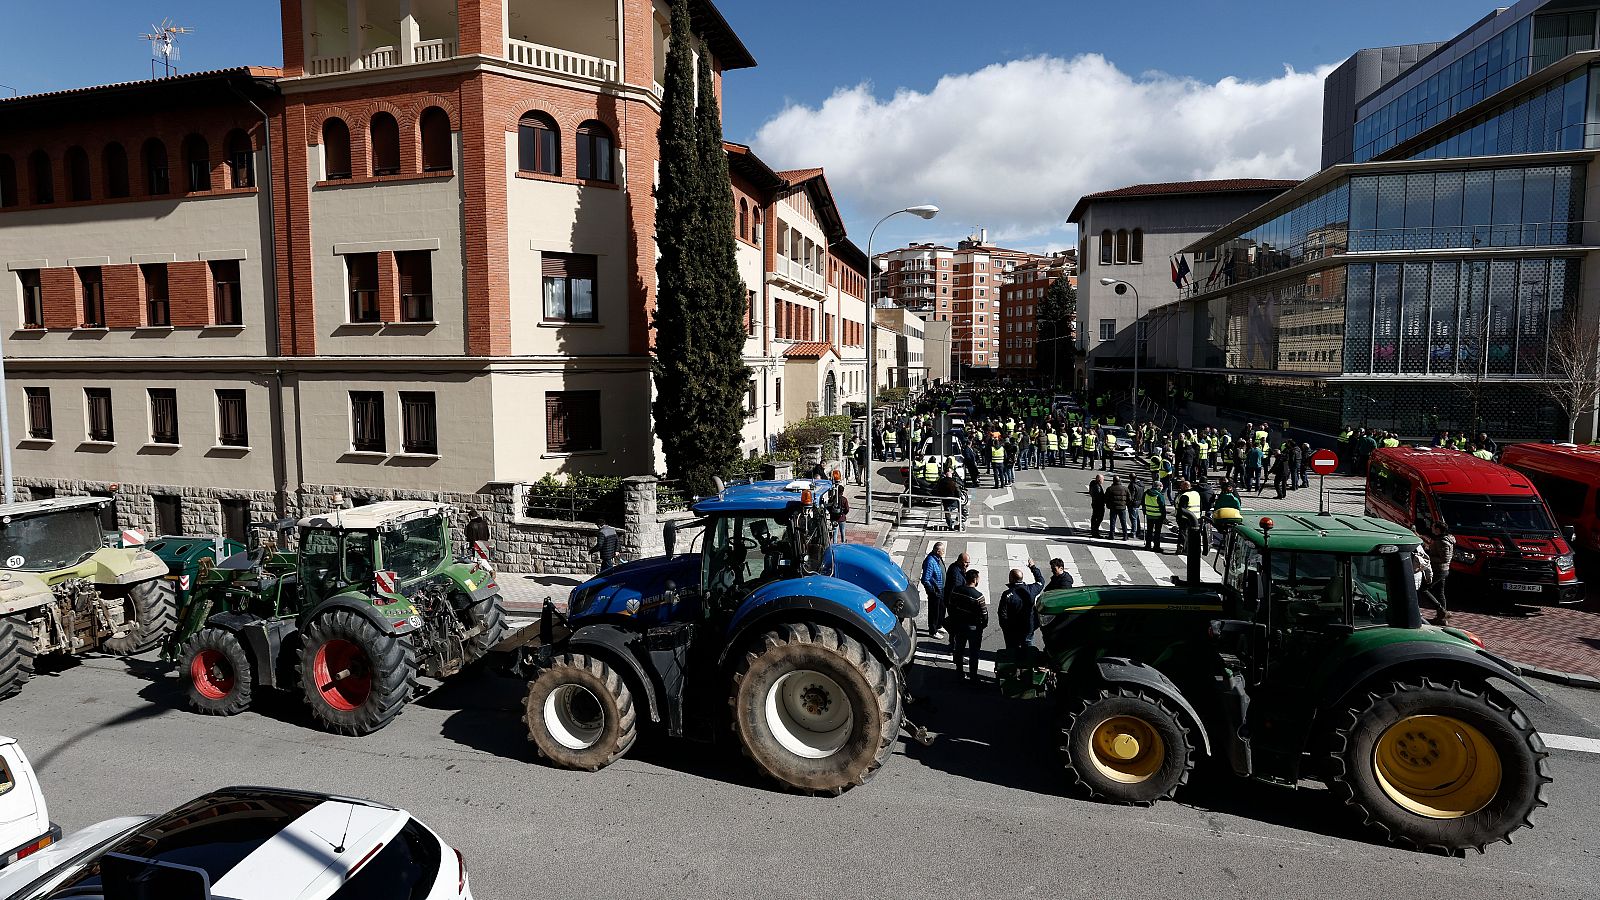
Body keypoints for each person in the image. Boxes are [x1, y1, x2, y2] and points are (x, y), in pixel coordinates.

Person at [946, 569, 988, 681]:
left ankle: (959, 672)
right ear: (974, 580)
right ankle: (973, 676)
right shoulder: (978, 596)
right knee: (974, 653)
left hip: (959, 626)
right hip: (974, 628)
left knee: (959, 649)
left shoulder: (956, 590)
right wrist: (982, 625)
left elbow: (951, 606)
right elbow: (984, 615)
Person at [999, 561, 1045, 651]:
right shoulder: (1031, 590)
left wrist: (1005, 628)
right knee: (1028, 651)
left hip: (1012, 629)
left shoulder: (1007, 594)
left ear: (1011, 579)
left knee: (1012, 652)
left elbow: (1002, 614)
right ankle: (1028, 664)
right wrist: (1033, 567)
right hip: (1028, 627)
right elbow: (1041, 581)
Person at [1426, 522, 1454, 626]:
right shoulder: (1444, 539)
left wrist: (1428, 556)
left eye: (1433, 527)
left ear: (1438, 529)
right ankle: (1442, 619)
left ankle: (1441, 610)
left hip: (1439, 570)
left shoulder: (1442, 541)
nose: (1431, 528)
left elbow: (1445, 558)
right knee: (1440, 592)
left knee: (1424, 589)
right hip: (1443, 569)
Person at [942, 551, 970, 640]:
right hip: (954, 604)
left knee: (955, 623)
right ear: (959, 561)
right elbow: (955, 590)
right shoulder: (955, 573)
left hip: (952, 602)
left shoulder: (957, 568)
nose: (967, 565)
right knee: (955, 625)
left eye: (968, 562)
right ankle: (953, 645)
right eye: (965, 562)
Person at [921, 542, 946, 637]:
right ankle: (933, 630)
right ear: (937, 551)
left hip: (941, 589)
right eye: (942, 550)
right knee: (934, 611)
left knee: (941, 608)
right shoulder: (930, 561)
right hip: (935, 591)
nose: (943, 552)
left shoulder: (938, 558)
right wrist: (932, 590)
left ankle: (939, 625)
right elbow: (925, 579)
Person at [1142, 481, 1170, 552]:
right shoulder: (1159, 496)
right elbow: (1162, 508)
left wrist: (1144, 512)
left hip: (1149, 515)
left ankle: (1148, 545)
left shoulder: (1146, 493)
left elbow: (1143, 504)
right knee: (1157, 532)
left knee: (1149, 531)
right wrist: (1164, 517)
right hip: (1158, 516)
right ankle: (1156, 546)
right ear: (1159, 487)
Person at [1104, 475, 1131, 541]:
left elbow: (1106, 498)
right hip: (1122, 507)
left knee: (1112, 521)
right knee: (1123, 522)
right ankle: (1125, 536)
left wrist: (1108, 505)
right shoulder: (1125, 489)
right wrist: (1125, 504)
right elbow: (1129, 498)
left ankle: (1111, 535)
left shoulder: (1110, 489)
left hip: (1113, 507)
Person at [1088, 473, 1107, 539]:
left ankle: (1093, 530)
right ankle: (1095, 531)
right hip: (1098, 505)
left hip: (1094, 503)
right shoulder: (1097, 488)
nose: (1103, 481)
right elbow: (1100, 498)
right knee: (1098, 518)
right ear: (1099, 480)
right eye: (1102, 479)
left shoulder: (1093, 483)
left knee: (1094, 517)